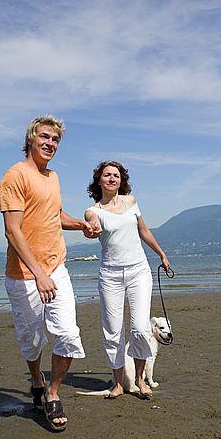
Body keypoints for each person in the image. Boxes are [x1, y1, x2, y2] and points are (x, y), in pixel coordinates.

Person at [0, 114, 97, 431]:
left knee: (67, 333)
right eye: (44, 136)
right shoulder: (14, 177)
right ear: (30, 138)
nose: (50, 143)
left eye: (55, 139)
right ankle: (37, 381)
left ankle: (52, 394)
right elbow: (13, 232)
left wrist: (80, 225)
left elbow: (54, 214)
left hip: (56, 269)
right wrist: (38, 274)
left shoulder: (52, 177)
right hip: (24, 276)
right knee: (32, 341)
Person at [85, 161, 171, 399]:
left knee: (141, 329)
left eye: (116, 175)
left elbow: (143, 231)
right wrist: (90, 230)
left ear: (121, 180)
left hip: (138, 271)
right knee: (113, 332)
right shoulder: (93, 211)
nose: (112, 178)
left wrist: (161, 254)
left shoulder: (131, 201)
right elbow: (91, 228)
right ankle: (118, 383)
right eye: (107, 175)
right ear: (99, 180)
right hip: (110, 275)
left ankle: (140, 380)